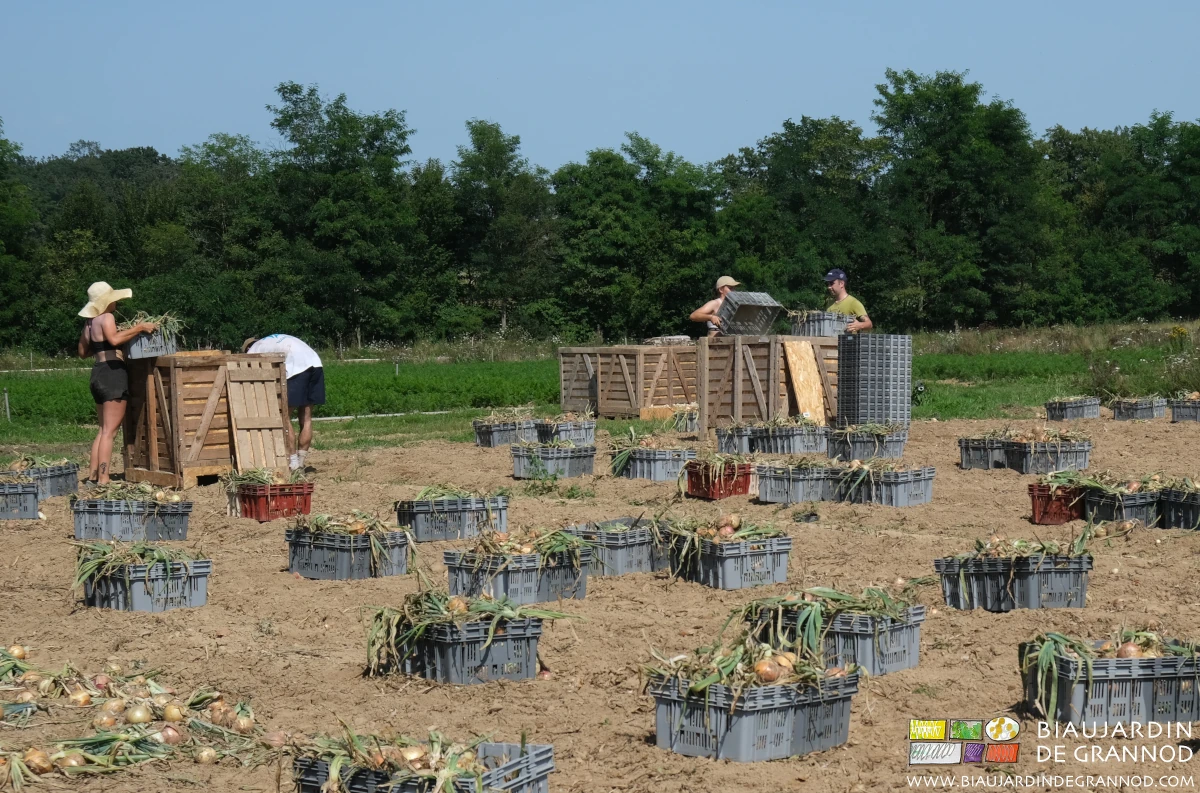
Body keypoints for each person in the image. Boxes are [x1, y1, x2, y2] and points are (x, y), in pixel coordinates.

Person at [76, 282, 158, 484]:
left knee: (103, 429)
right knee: (110, 432)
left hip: (97, 373)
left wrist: (101, 342)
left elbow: (82, 352)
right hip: (112, 373)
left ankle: (94, 475)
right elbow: (113, 340)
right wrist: (139, 328)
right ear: (107, 301)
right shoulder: (107, 317)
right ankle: (104, 478)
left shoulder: (89, 323)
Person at [241, 334, 324, 471]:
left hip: (297, 366)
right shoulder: (271, 341)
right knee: (306, 417)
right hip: (315, 362)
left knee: (283, 417)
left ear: (247, 348)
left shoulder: (253, 350)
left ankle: (293, 463)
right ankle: (301, 462)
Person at [824, 268, 873, 332]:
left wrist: (859, 325)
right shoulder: (829, 302)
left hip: (847, 341)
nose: (829, 287)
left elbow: (869, 324)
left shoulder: (853, 303)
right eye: (828, 284)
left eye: (831, 283)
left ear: (841, 283)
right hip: (831, 341)